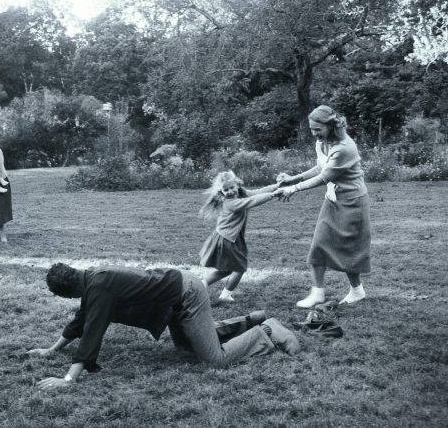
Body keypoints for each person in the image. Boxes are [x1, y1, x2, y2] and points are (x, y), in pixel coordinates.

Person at [28, 263, 299, 390]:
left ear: (70, 289)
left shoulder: (99, 287)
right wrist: (51, 350)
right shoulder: (91, 278)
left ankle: (266, 331)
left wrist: (68, 379)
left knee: (214, 358)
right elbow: (82, 320)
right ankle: (252, 319)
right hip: (175, 298)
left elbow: (93, 332)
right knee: (186, 348)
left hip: (187, 295)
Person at [274, 105, 371, 308]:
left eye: (317, 129)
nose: (314, 133)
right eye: (311, 129)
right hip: (333, 198)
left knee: (349, 249)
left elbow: (325, 176)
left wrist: (293, 188)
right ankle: (317, 293)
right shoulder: (323, 142)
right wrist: (294, 178)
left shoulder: (345, 147)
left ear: (330, 126)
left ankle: (356, 290)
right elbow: (321, 166)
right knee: (318, 244)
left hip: (352, 201)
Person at [199, 170, 279, 302]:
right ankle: (225, 295)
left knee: (227, 269)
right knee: (240, 268)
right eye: (226, 190)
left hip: (228, 237)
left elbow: (257, 192)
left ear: (237, 185)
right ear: (221, 192)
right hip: (227, 239)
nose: (230, 191)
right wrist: (272, 195)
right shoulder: (231, 203)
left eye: (232, 187)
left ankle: (201, 285)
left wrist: (276, 186)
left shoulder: (241, 193)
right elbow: (253, 201)